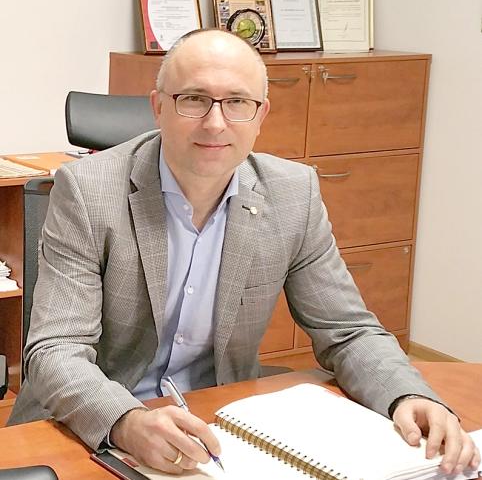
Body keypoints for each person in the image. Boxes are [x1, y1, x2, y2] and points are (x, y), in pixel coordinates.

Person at [9, 29, 479, 475]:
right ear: (158, 107)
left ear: (260, 115)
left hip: (220, 426)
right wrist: (126, 421)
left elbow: (348, 330)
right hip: (89, 425)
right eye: (194, 99)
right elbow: (56, 351)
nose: (216, 122)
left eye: (237, 102)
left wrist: (408, 395)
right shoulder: (88, 191)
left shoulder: (292, 194)